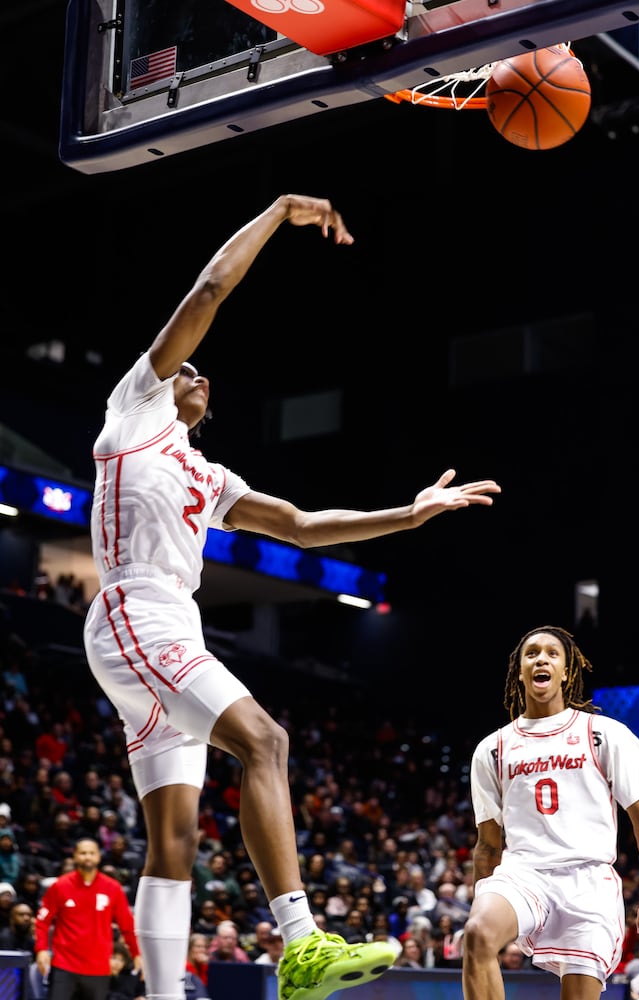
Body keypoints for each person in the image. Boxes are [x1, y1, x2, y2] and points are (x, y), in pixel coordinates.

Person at [82, 192, 501, 1000]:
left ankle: (164, 996)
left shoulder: (208, 474)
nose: (198, 374)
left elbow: (305, 527)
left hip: (171, 625)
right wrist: (278, 211)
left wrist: (408, 515)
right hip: (136, 610)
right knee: (264, 742)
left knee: (173, 843)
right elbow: (209, 291)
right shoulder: (134, 411)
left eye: (205, 374)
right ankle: (301, 942)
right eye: (188, 370)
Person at [461, 625, 639, 1000]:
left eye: (553, 654)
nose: (542, 659)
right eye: (532, 653)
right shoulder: (492, 748)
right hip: (524, 875)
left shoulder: (601, 733)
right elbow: (487, 846)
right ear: (519, 671)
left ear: (567, 671)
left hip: (588, 883)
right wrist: (479, 903)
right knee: (478, 934)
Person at [34, 837, 142, 1000]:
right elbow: (42, 921)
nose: (87, 857)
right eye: (83, 853)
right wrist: (41, 949)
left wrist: (136, 953)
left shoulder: (113, 888)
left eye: (92, 853)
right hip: (64, 965)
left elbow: (127, 924)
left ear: (98, 857)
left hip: (98, 968)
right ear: (75, 856)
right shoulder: (60, 886)